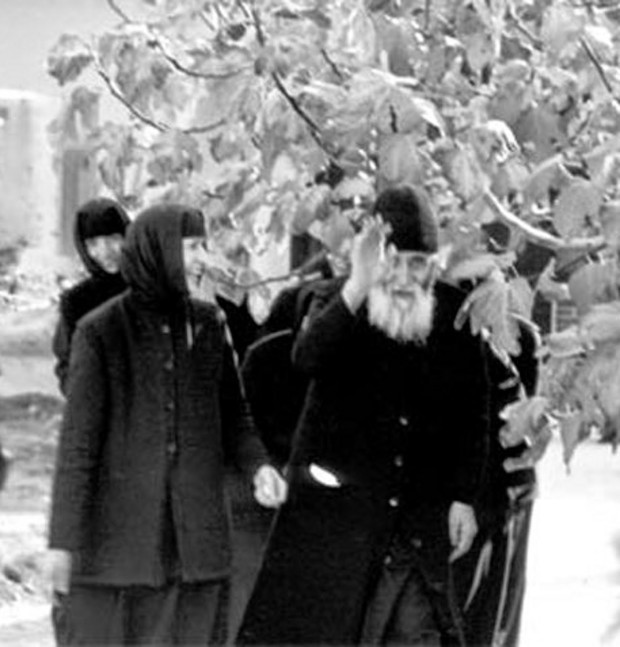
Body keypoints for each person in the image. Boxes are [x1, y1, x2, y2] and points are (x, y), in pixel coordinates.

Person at [237, 184, 489, 646]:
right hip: (338, 520)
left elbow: (473, 414)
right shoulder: (336, 299)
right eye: (395, 261)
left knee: (415, 634)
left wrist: (463, 497)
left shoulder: (454, 313)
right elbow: (307, 358)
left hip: (414, 522)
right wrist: (358, 283)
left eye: (419, 263)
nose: (406, 276)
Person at [48, 204, 287, 646]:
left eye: (203, 247)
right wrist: (62, 542)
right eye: (191, 248)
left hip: (198, 543)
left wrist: (260, 467)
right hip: (125, 547)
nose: (201, 259)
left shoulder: (208, 323)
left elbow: (234, 416)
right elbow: (78, 443)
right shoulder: (100, 332)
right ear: (159, 250)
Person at [52, 198, 131, 394]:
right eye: (93, 243)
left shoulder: (149, 289)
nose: (105, 251)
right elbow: (67, 367)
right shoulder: (76, 302)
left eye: (113, 239)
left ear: (128, 237)